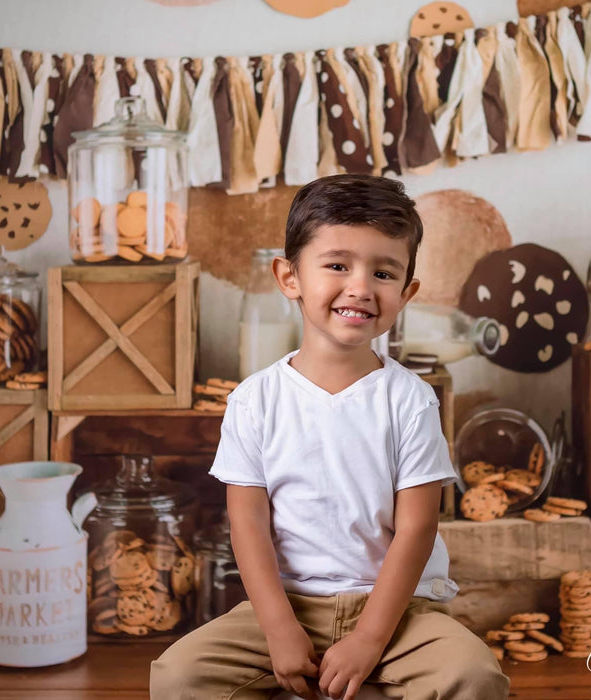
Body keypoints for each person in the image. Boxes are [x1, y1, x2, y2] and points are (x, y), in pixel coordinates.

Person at [150, 175, 509, 700]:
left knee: (474, 676)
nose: (361, 287)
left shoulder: (410, 400)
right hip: (286, 603)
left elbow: (417, 529)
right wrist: (278, 630)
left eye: (383, 272)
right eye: (338, 265)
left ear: (406, 293)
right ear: (289, 277)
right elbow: (247, 524)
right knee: (178, 677)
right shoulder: (255, 400)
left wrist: (368, 638)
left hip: (397, 611)